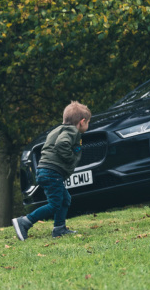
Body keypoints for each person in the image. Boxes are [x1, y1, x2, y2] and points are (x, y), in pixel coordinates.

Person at [12, 101, 91, 240]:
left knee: (65, 199)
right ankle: (25, 222)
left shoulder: (57, 130)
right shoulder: (72, 131)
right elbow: (62, 144)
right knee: (55, 204)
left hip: (45, 171)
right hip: (52, 172)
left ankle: (59, 228)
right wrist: (70, 158)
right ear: (82, 122)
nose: (87, 125)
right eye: (88, 122)